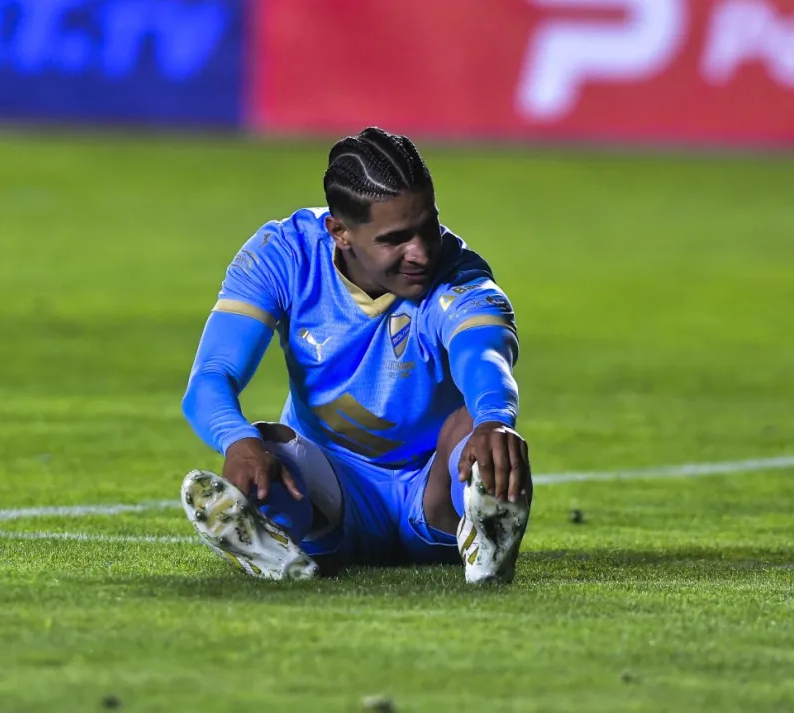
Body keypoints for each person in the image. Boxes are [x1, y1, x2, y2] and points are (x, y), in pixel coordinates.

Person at [180, 127, 532, 584]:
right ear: (339, 232)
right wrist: (236, 440)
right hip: (330, 492)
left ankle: (484, 537)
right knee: (266, 442)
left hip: (433, 497)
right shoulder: (285, 255)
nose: (421, 252)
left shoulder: (460, 273)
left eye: (429, 225)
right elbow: (212, 374)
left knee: (476, 425)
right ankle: (277, 546)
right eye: (396, 239)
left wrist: (494, 418)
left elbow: (486, 360)